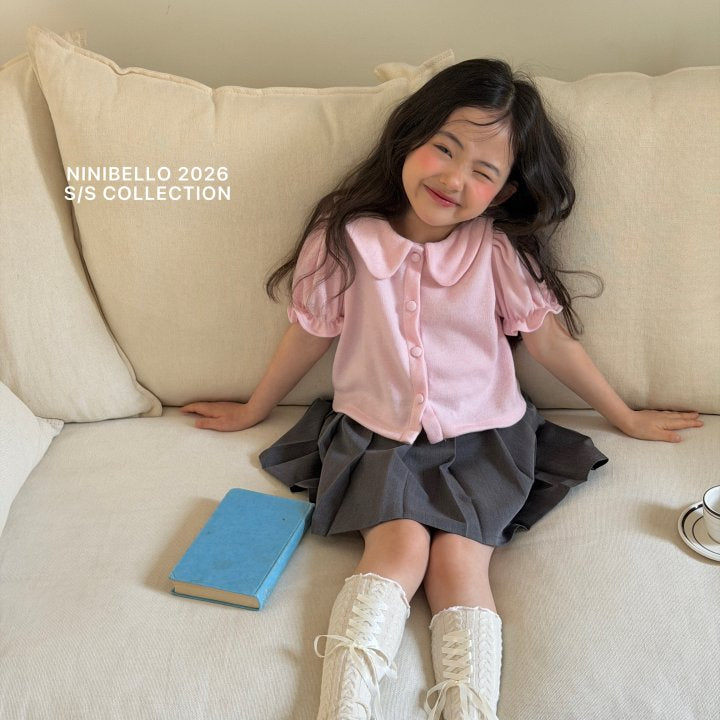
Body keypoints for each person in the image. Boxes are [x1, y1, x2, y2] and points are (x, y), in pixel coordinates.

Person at [180, 59, 704, 720]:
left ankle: (468, 708)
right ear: (410, 138)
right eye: (444, 149)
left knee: (459, 564)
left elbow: (549, 343)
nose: (455, 179)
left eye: (483, 171)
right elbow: (310, 332)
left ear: (504, 190)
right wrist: (255, 407)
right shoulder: (345, 238)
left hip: (486, 436)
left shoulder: (497, 252)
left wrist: (624, 416)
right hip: (377, 433)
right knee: (397, 548)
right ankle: (342, 707)